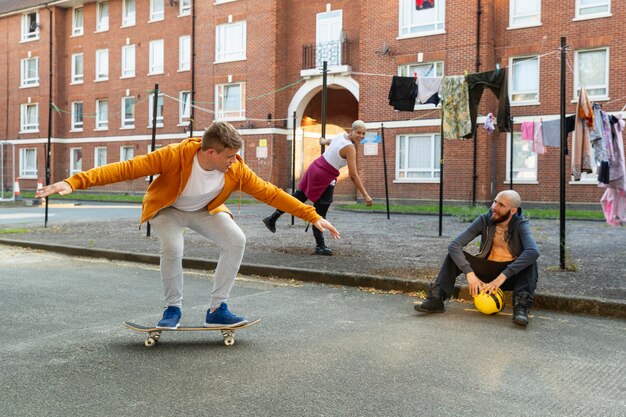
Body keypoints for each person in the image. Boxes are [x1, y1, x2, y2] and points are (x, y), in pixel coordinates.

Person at [36, 122, 340, 330]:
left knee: (236, 240)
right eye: (229, 156)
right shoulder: (174, 156)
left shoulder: (237, 169)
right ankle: (173, 309)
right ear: (210, 152)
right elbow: (125, 168)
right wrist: (73, 182)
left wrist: (313, 216)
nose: (235, 162)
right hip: (168, 209)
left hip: (203, 211)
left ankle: (217, 310)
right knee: (173, 245)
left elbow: (270, 192)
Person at [415, 190, 539, 326]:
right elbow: (455, 245)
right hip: (485, 271)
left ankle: (521, 307)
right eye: (495, 202)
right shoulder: (484, 219)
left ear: (513, 211)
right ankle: (436, 299)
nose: (494, 207)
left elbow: (533, 251)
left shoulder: (521, 224)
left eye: (501, 205)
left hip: (508, 277)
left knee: (530, 262)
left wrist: (501, 277)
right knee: (453, 255)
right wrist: (470, 274)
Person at [262, 120, 373, 256]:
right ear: (352, 131)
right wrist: (365, 195)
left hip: (316, 167)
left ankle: (272, 218)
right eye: (358, 132)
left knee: (299, 197)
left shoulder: (342, 135)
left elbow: (331, 141)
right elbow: (353, 175)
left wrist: (324, 142)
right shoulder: (350, 148)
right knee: (321, 210)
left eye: (363, 133)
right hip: (324, 176)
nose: (361, 136)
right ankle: (320, 246)